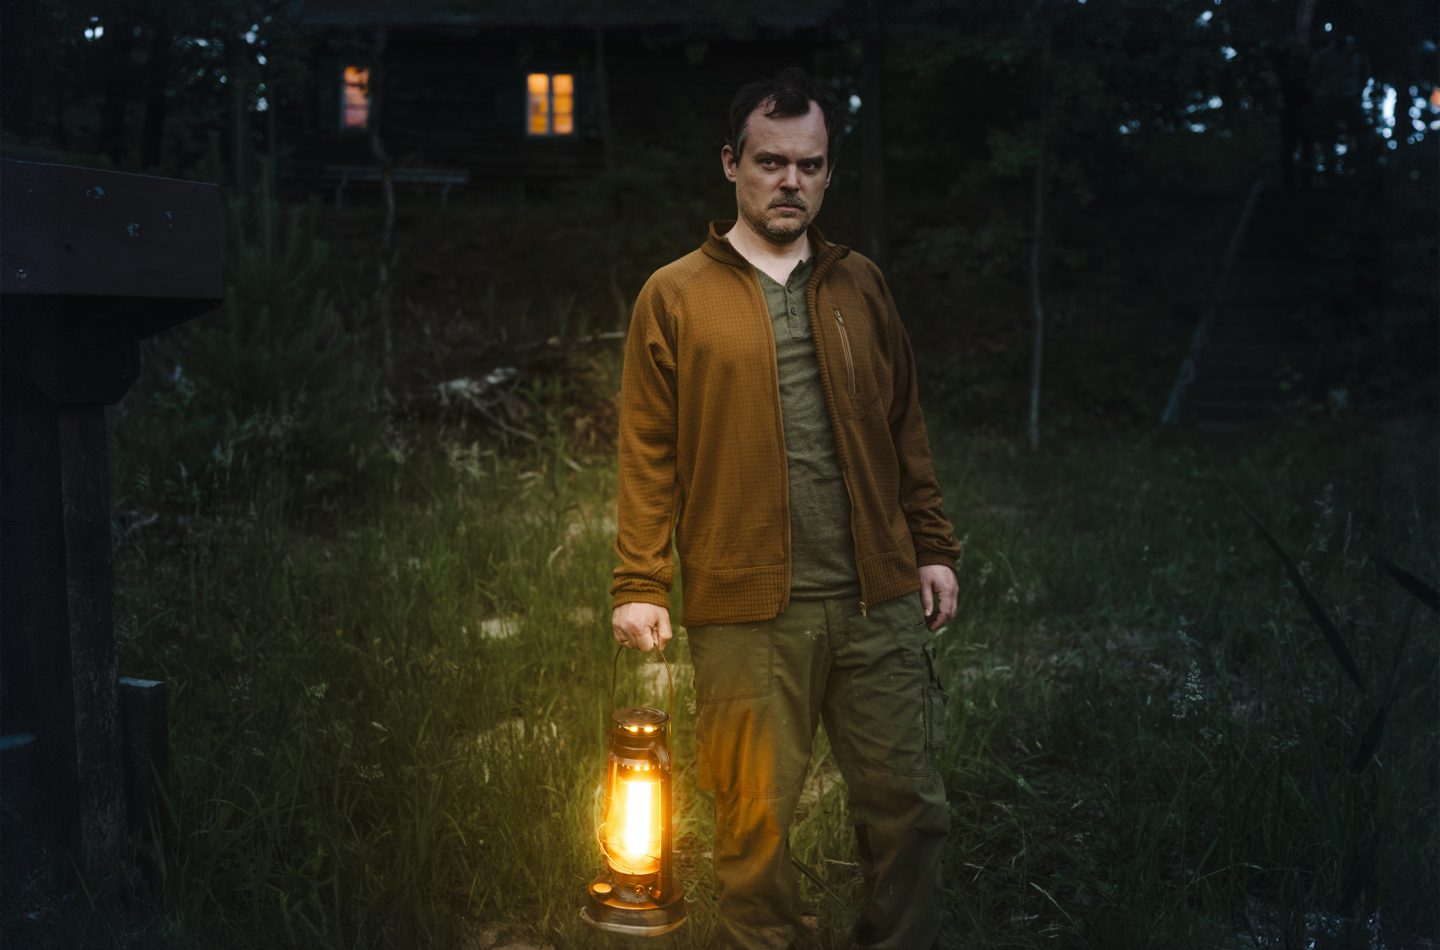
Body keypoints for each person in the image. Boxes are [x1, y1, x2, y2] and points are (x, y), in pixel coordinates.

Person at [609, 67, 961, 949]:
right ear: (732, 164)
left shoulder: (860, 286)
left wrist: (932, 546)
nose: (790, 182)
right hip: (746, 610)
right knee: (753, 834)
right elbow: (647, 452)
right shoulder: (676, 294)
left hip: (876, 598)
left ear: (829, 174)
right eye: (771, 162)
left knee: (910, 813)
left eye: (809, 166)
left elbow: (903, 424)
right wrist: (640, 581)